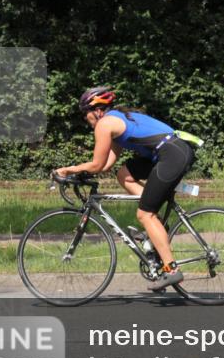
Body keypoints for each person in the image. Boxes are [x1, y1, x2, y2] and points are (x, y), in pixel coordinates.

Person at [55, 86, 198, 290]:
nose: (85, 118)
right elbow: (105, 166)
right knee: (124, 174)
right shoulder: (117, 120)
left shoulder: (105, 124)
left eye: (85, 113)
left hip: (172, 154)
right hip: (171, 152)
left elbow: (96, 165)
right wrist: (81, 173)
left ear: (97, 109)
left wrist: (68, 170)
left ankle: (171, 270)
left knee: (144, 214)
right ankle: (155, 225)